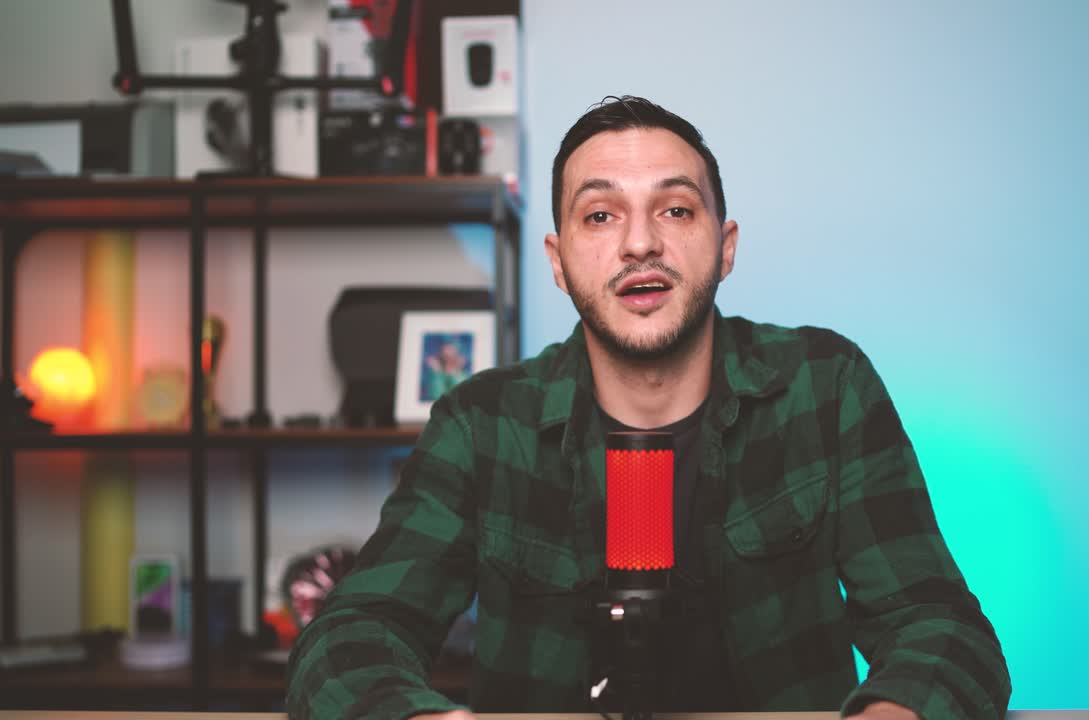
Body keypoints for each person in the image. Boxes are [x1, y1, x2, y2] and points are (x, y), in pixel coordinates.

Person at [286, 96, 1011, 720]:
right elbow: (350, 637)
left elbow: (939, 627)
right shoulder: (482, 424)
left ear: (724, 246)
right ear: (558, 261)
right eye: (600, 215)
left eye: (676, 209)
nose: (640, 243)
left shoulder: (825, 387)